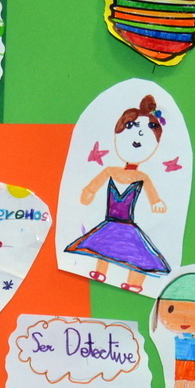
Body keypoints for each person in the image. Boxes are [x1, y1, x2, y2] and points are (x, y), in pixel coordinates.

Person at [65, 94, 172, 292]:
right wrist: (88, 192)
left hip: (127, 224)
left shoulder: (142, 177)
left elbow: (153, 197)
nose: (137, 139)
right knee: (102, 245)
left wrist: (156, 202)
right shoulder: (110, 171)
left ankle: (135, 282)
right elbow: (93, 186)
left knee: (138, 254)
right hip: (111, 222)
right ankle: (100, 272)